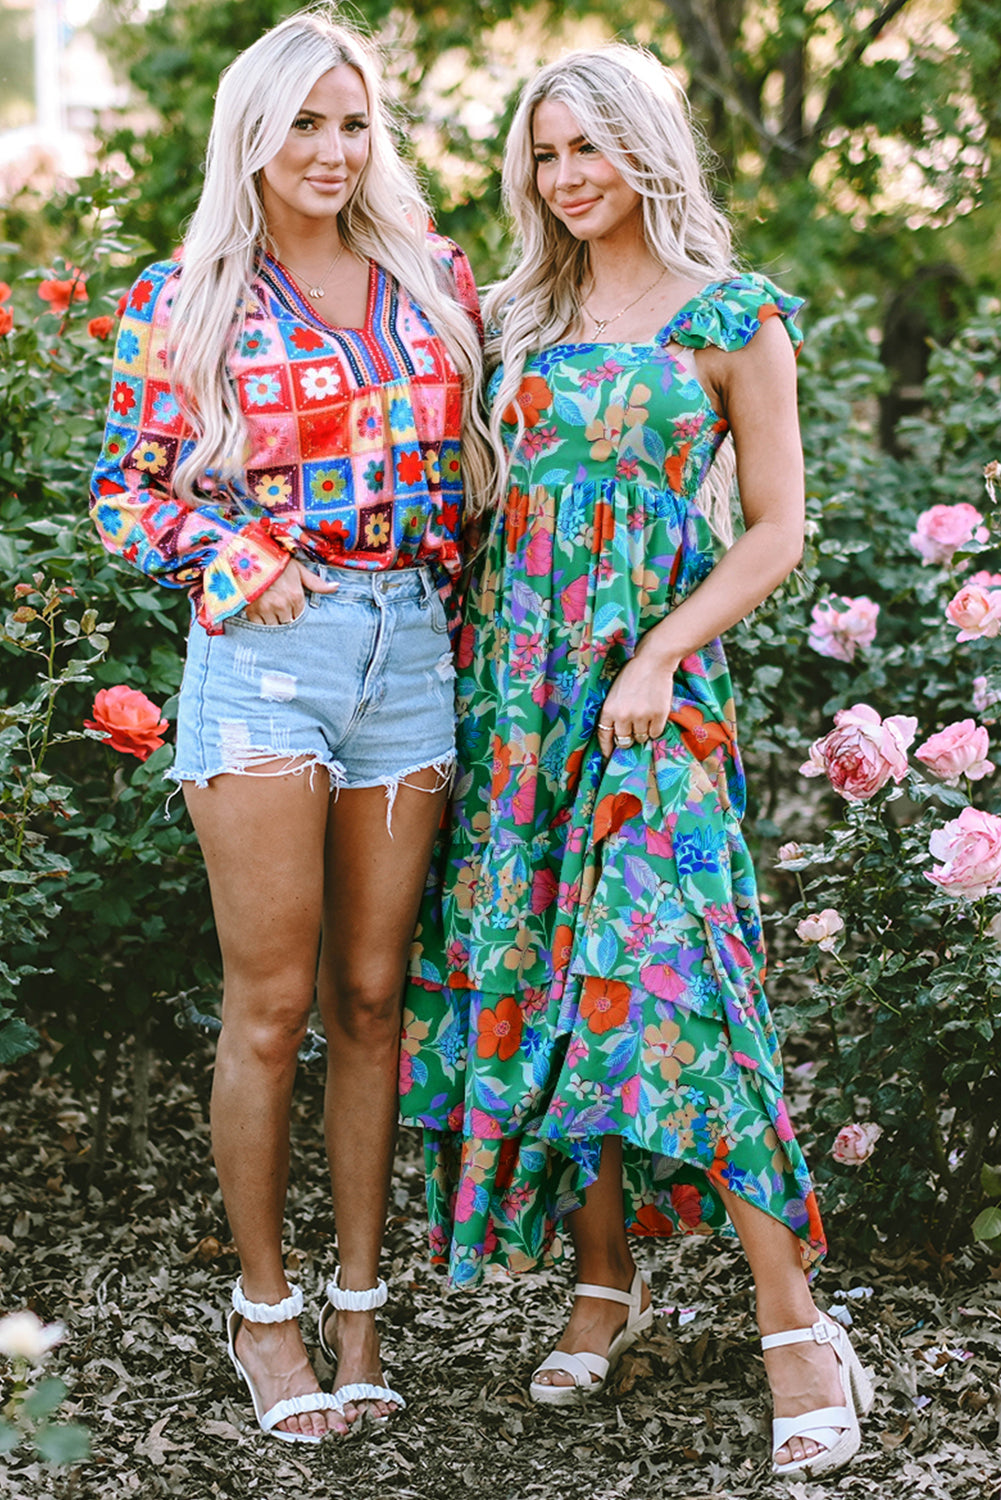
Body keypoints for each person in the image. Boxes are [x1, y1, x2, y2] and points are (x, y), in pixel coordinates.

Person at [400, 44, 872, 1479]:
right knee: (555, 985)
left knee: (674, 981)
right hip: (514, 707)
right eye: (543, 156)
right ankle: (603, 1281)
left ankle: (796, 1323)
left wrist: (661, 654)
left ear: (646, 149)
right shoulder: (511, 316)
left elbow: (775, 527)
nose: (564, 180)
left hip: (649, 709)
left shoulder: (734, 318)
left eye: (588, 150)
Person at [89, 7, 489, 1443]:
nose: (331, 149)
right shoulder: (185, 292)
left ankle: (364, 1309)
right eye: (304, 123)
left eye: (352, 122)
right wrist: (225, 554)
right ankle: (267, 1314)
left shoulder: (433, 279)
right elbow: (124, 488)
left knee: (371, 1001)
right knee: (269, 1006)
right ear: (252, 134)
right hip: (266, 661)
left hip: (412, 656)